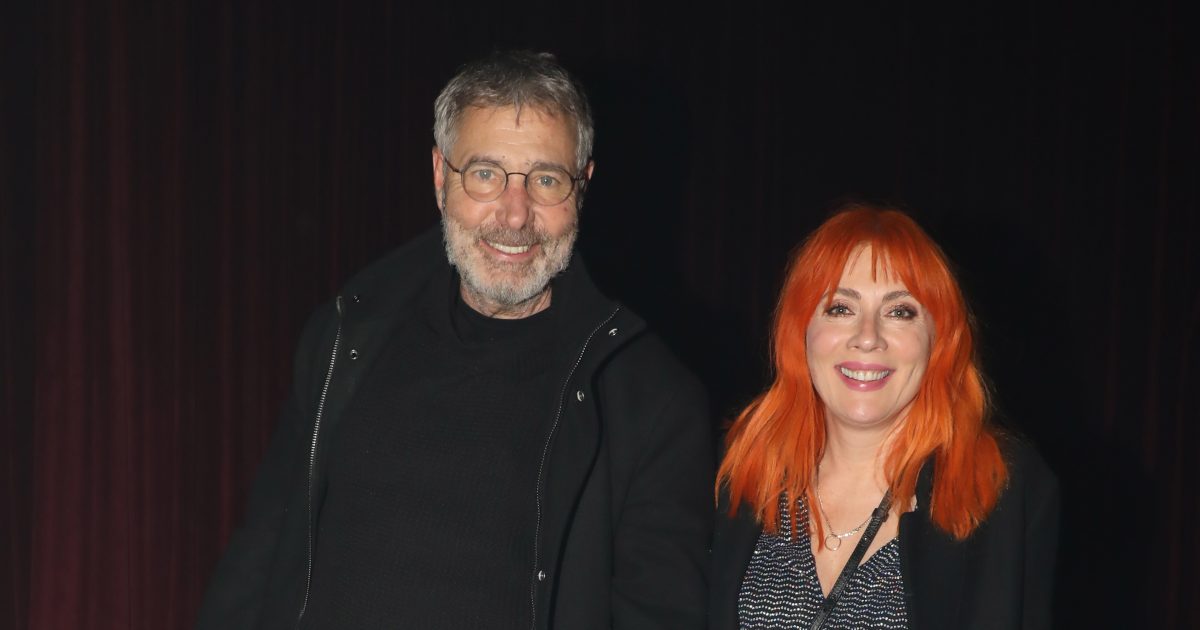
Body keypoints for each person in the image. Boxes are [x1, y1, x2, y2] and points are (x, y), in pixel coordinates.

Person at [196, 50, 713, 630]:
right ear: (441, 176)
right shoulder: (345, 338)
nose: (514, 215)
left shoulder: (651, 403)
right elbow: (259, 560)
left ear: (583, 187)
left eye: (546, 180)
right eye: (486, 174)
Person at [710, 205, 1059, 629]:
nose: (868, 337)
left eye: (900, 312)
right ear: (800, 330)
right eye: (841, 308)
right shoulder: (743, 468)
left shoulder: (995, 486)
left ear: (939, 339)